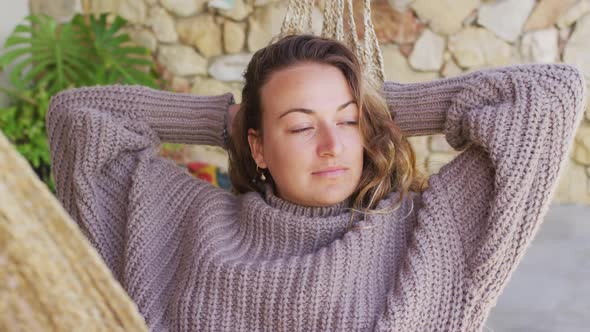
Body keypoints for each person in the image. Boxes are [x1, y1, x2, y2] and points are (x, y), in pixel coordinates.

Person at [46, 34, 587, 331]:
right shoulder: (186, 225)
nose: (332, 144)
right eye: (302, 126)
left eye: (347, 122)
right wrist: (229, 120)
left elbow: (551, 94)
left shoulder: (425, 238)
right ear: (259, 146)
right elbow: (79, 117)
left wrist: (381, 107)